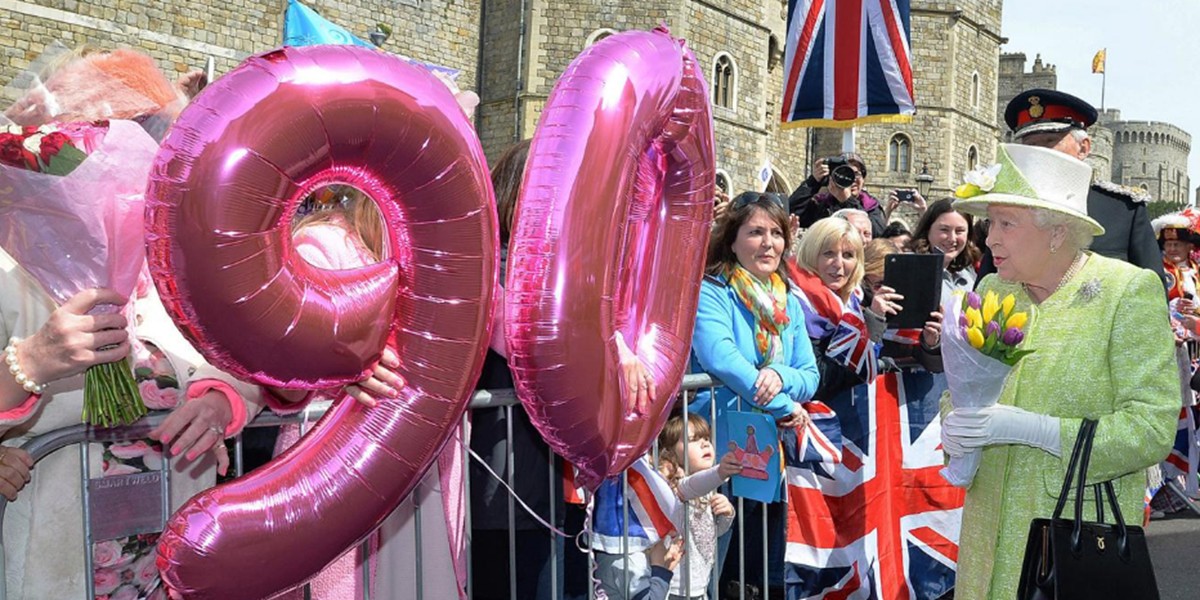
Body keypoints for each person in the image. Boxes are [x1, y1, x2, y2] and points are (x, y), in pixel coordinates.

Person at [943, 143, 1178, 598]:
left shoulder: (1126, 292)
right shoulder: (993, 287)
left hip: (1074, 547)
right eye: (991, 222)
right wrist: (955, 426)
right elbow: (962, 385)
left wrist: (1037, 430)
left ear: (1057, 232)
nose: (989, 238)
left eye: (1006, 223)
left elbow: (1151, 429)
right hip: (984, 546)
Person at [689, 191, 819, 598]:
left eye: (776, 233)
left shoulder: (789, 301)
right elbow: (721, 358)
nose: (768, 243)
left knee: (754, 572)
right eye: (756, 232)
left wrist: (780, 376)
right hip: (714, 444)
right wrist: (785, 404)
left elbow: (809, 374)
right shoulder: (712, 290)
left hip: (765, 451)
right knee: (707, 566)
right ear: (732, 240)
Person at [978, 88, 1165, 286]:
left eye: (1050, 142)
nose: (1040, 153)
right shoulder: (1008, 209)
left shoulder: (1123, 210)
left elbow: (1152, 290)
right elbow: (986, 290)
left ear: (1083, 147)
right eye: (1031, 145)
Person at [655, 412, 740, 600]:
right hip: (674, 588)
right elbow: (690, 486)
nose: (705, 444)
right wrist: (720, 472)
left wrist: (727, 514)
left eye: (707, 438)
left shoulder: (710, 488)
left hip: (700, 586)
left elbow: (709, 534)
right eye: (693, 440)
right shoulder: (672, 486)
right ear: (670, 452)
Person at [788, 154, 887, 238]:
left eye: (856, 174)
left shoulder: (871, 206)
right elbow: (790, 212)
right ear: (832, 178)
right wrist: (813, 181)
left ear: (863, 180)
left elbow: (879, 234)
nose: (851, 180)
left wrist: (847, 200)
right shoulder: (822, 205)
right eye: (844, 174)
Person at [911, 198, 981, 300]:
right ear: (927, 230)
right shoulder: (912, 272)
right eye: (944, 230)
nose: (952, 239)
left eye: (959, 231)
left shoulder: (968, 274)